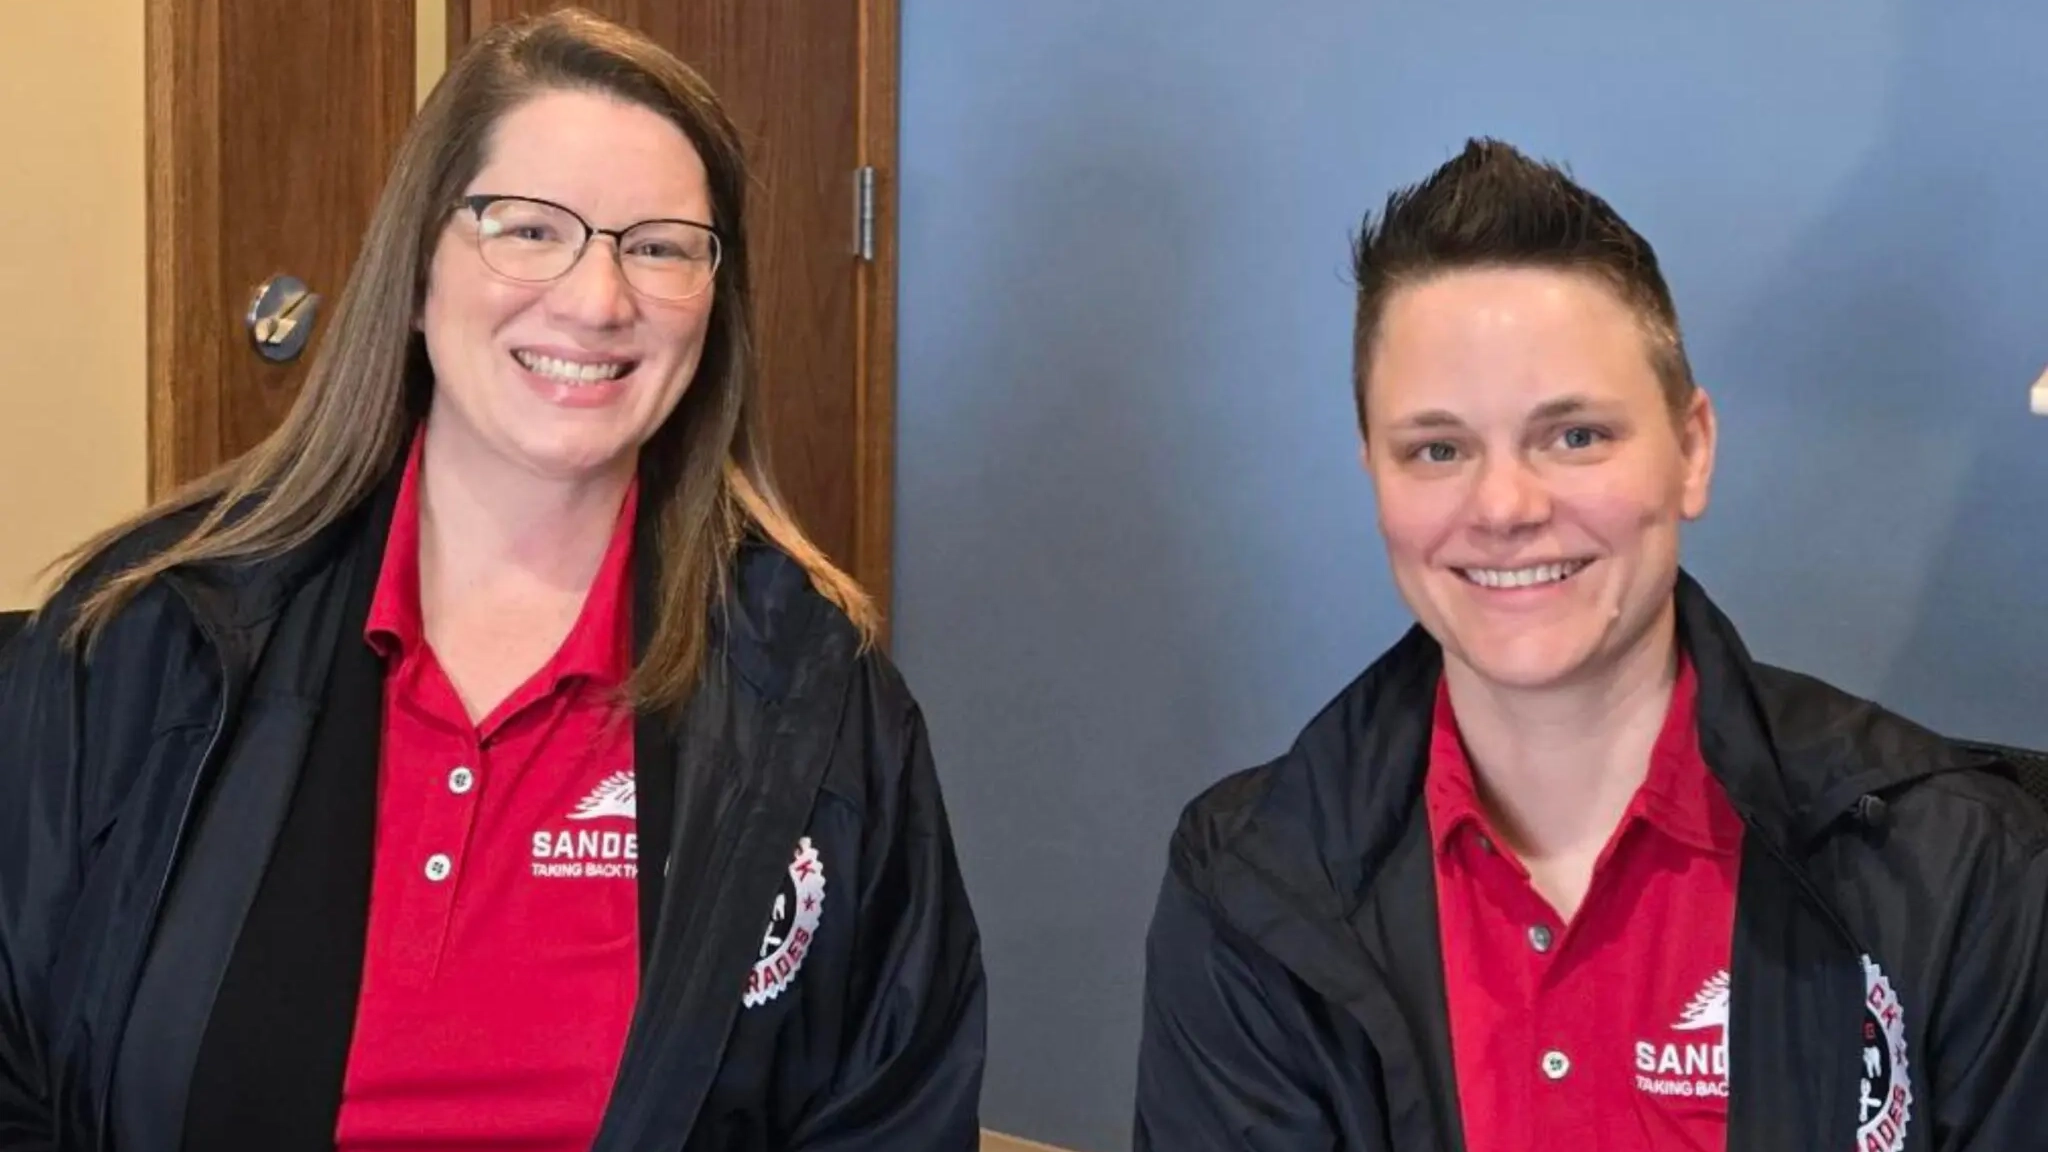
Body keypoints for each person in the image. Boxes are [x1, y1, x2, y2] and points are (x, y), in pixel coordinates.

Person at [0, 10, 984, 1151]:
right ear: (417, 270)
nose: (596, 298)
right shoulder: (142, 639)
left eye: (661, 245)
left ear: (717, 311)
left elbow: (890, 1114)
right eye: (528, 229)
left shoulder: (817, 701)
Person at [1133, 138, 2048, 1151]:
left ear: (1690, 451)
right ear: (1373, 475)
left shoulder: (1961, 867)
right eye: (1436, 449)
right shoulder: (1249, 882)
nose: (1503, 507)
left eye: (1572, 435)